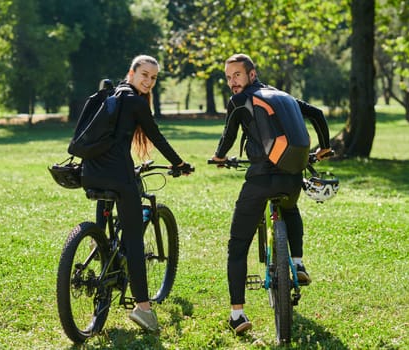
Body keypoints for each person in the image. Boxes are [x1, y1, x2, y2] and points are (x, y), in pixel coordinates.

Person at [210, 54, 332, 334]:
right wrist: (324, 147)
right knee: (290, 210)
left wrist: (219, 156)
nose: (232, 82)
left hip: (260, 181)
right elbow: (317, 114)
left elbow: (229, 135)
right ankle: (298, 263)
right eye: (228, 78)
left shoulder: (240, 101)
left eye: (237, 75)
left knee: (238, 245)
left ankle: (238, 316)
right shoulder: (284, 97)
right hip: (291, 178)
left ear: (252, 75)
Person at [81, 54, 193, 332]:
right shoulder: (134, 102)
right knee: (133, 241)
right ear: (131, 73)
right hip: (120, 177)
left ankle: (99, 242)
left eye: (153, 78)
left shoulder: (109, 95)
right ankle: (143, 308)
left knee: (107, 205)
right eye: (144, 75)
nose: (149, 81)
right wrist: (180, 164)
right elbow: (157, 136)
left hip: (90, 172)